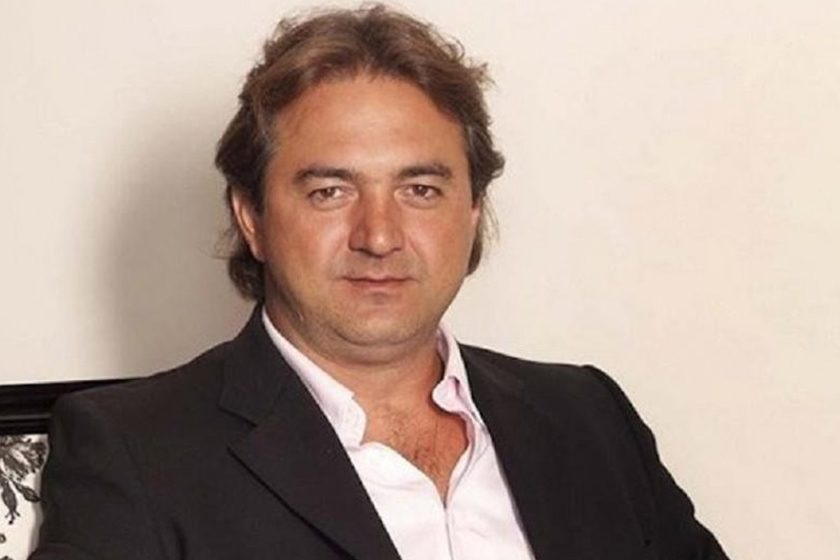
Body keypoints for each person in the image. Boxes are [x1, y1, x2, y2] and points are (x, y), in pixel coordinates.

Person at [31, 5, 729, 560]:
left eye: (420, 189)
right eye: (330, 191)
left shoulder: (589, 417)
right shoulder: (134, 452)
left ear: (472, 211)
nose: (380, 235)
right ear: (252, 219)